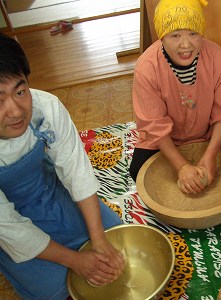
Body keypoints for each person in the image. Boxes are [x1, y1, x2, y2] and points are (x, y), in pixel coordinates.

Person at [0, 33, 126, 299]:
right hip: (5, 223)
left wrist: (99, 240)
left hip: (48, 189)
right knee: (55, 287)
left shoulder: (45, 108)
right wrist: (75, 261)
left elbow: (76, 171)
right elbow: (8, 225)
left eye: (20, 91)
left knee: (114, 232)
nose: (15, 111)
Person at [129, 0, 221, 194]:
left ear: (201, 33)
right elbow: (153, 125)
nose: (185, 45)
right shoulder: (146, 68)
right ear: (162, 37)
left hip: (208, 130)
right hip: (165, 139)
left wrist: (210, 156)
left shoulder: (218, 59)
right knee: (138, 172)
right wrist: (182, 167)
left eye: (193, 34)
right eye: (175, 35)